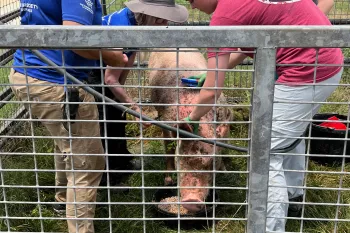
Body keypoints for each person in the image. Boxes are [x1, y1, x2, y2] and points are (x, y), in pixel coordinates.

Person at [180, 0, 343, 232]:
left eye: (192, 0)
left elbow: (212, 92)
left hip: (305, 72)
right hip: (325, 62)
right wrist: (212, 72)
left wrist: (192, 118)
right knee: (287, 135)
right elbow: (238, 48)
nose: (192, 6)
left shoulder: (224, 16)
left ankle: (269, 227)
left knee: (267, 152)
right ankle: (293, 196)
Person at [9, 1, 128, 233]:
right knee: (87, 163)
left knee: (65, 141)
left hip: (26, 72)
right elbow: (73, 37)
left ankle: (63, 198)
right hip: (57, 82)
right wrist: (113, 57)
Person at [87, 0, 188, 188]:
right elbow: (109, 78)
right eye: (161, 20)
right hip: (92, 72)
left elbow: (129, 59)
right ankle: (108, 178)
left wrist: (121, 99)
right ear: (151, 15)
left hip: (109, 70)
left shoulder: (136, 22)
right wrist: (134, 107)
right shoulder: (121, 29)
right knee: (105, 122)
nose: (164, 25)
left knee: (117, 115)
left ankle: (122, 162)